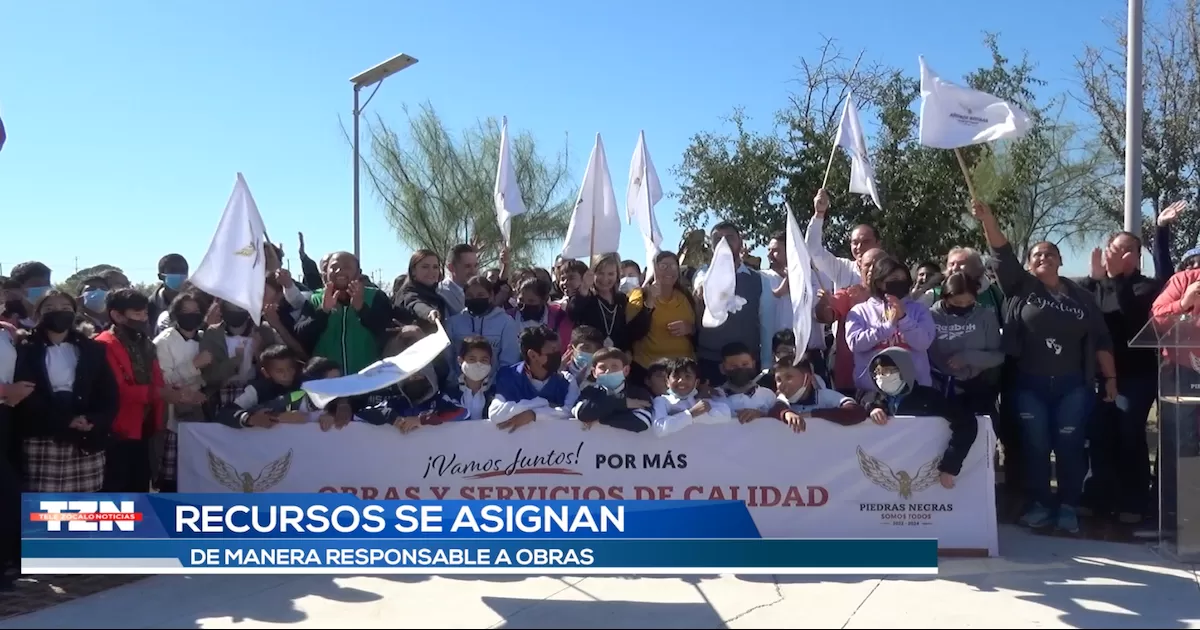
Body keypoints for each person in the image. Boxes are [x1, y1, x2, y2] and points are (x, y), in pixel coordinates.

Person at [973, 200, 1116, 533]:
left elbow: (1102, 339)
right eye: (1037, 255)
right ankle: (1039, 503)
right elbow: (1002, 252)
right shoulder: (1020, 287)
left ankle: (1068, 505)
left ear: (1060, 261)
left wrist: (1110, 377)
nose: (1043, 258)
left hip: (1073, 387)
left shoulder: (1082, 298)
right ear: (1029, 263)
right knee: (1036, 446)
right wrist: (989, 219)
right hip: (1028, 386)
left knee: (1069, 444)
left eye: (1049, 254)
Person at [1077, 232, 1166, 524]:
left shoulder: (1147, 286)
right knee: (1098, 435)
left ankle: (1134, 500)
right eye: (1116, 248)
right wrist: (1094, 280)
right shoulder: (1093, 286)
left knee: (1129, 432)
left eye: (1129, 250)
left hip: (1136, 375)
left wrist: (1116, 279)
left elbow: (1134, 318)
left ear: (1139, 256)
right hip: (1098, 375)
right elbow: (1087, 317)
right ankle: (1097, 497)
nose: (1121, 254)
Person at [12, 291, 116, 493]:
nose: (58, 312)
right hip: (42, 436)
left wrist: (93, 420)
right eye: (50, 309)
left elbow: (107, 392)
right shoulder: (26, 348)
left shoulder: (92, 348)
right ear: (39, 313)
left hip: (85, 436)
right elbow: (27, 393)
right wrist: (63, 420)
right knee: (44, 511)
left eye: (65, 308)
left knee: (83, 509)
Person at [94, 289, 177, 493]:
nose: (143, 319)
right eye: (137, 314)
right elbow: (115, 389)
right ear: (116, 315)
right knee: (116, 488)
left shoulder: (145, 343)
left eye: (145, 314)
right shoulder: (103, 344)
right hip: (118, 430)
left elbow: (156, 378)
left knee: (140, 486)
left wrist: (171, 392)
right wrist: (159, 394)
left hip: (144, 427)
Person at [861, 347, 978, 486]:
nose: (881, 377)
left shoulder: (929, 398)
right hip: (889, 479)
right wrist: (872, 409)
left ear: (904, 370)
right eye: (877, 373)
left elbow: (966, 423)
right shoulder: (877, 400)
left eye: (887, 371)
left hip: (930, 481)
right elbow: (858, 407)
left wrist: (950, 466)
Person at [693, 223, 776, 384]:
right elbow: (699, 282)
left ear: (740, 241)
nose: (723, 241)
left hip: (746, 364)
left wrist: (766, 364)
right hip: (710, 362)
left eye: (729, 237)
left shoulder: (760, 280)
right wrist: (704, 287)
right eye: (717, 238)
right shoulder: (703, 274)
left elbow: (766, 325)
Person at [845, 255, 936, 393]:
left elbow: (924, 342)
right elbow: (855, 343)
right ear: (880, 282)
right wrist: (887, 327)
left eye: (903, 280)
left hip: (914, 389)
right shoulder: (860, 311)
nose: (899, 284)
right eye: (894, 280)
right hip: (873, 392)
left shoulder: (919, 309)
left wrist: (903, 319)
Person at [296, 251, 392, 375]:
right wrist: (323, 311)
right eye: (334, 267)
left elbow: (386, 332)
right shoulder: (314, 298)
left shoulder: (375, 296)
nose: (339, 271)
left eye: (346, 267)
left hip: (368, 380)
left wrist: (361, 308)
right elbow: (301, 336)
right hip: (328, 383)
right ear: (326, 272)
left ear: (358, 273)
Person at [152, 293, 209, 492]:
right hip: (173, 416)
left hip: (201, 411)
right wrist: (193, 366)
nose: (191, 316)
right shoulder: (163, 342)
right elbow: (164, 378)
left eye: (196, 311)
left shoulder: (205, 338)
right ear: (175, 314)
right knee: (172, 476)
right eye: (185, 312)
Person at [928, 272, 1004, 418]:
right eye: (957, 303)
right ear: (945, 297)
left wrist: (968, 357)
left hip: (976, 387)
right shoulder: (930, 316)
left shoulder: (985, 315)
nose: (963, 306)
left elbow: (999, 356)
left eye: (969, 303)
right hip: (939, 387)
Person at [489, 325, 580, 431]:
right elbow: (495, 413)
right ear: (533, 355)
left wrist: (533, 414)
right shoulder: (508, 376)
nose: (558, 355)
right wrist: (541, 404)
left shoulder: (567, 380)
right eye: (553, 350)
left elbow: (568, 412)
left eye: (558, 350)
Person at [626, 251, 697, 384]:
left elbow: (698, 330)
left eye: (673, 266)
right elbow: (632, 333)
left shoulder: (686, 297)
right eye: (663, 266)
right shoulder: (640, 294)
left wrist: (690, 328)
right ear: (654, 269)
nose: (669, 270)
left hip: (683, 372)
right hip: (648, 370)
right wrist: (649, 303)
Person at [767, 354, 867, 431]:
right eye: (778, 380)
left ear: (808, 378)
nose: (782, 384)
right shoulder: (780, 401)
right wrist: (786, 414)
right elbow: (773, 412)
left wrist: (812, 415)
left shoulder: (826, 396)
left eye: (789, 377)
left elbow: (856, 411)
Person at [445, 276, 520, 377]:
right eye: (470, 296)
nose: (475, 299)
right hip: (459, 387)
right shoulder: (453, 323)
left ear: (491, 296)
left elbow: (509, 360)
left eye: (481, 295)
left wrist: (497, 386)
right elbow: (449, 359)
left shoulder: (506, 322)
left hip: (494, 388)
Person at [359, 365, 469, 432]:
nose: (412, 380)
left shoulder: (440, 399)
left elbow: (463, 413)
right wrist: (390, 416)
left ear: (429, 378)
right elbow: (360, 415)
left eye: (417, 377)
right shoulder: (395, 402)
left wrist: (422, 421)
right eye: (409, 377)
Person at [217, 345, 304, 429]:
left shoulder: (305, 385)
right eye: (280, 371)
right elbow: (225, 414)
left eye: (290, 368)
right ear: (266, 372)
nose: (287, 374)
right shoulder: (257, 389)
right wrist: (251, 419)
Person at [572, 348, 653, 432]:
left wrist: (600, 420)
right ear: (594, 372)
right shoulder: (589, 391)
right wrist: (622, 402)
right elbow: (582, 413)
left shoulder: (639, 393)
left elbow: (642, 422)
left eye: (614, 366)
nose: (608, 371)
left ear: (626, 370)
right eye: (602, 367)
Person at [650, 356, 732, 436]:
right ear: (667, 381)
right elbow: (659, 429)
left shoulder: (699, 401)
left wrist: (693, 415)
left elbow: (726, 414)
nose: (681, 381)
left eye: (688, 376)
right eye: (676, 376)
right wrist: (691, 414)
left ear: (696, 383)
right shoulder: (662, 401)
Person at [568, 253, 633, 352]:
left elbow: (627, 331)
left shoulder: (622, 299)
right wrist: (584, 288)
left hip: (614, 358)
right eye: (600, 273)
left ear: (617, 275)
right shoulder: (585, 296)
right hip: (589, 357)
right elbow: (572, 313)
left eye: (610, 274)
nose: (605, 279)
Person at [712, 341, 778, 422]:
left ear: (753, 365)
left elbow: (779, 420)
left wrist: (761, 415)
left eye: (745, 364)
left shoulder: (768, 395)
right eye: (733, 366)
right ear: (722, 368)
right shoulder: (713, 396)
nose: (740, 369)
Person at [441, 335, 496, 420]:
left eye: (484, 360)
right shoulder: (448, 394)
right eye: (472, 359)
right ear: (460, 361)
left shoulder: (497, 393)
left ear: (490, 362)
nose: (478, 364)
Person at [509, 277, 573, 343]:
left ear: (544, 300)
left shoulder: (559, 317)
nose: (525, 305)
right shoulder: (509, 317)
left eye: (531, 301)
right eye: (521, 300)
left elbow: (564, 344)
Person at [148, 254, 189, 326]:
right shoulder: (149, 307)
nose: (179, 274)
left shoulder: (199, 303)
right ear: (160, 276)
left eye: (183, 270)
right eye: (173, 270)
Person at [438, 244, 479, 314]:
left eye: (475, 266)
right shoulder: (441, 293)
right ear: (451, 268)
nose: (473, 271)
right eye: (467, 266)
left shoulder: (478, 290)